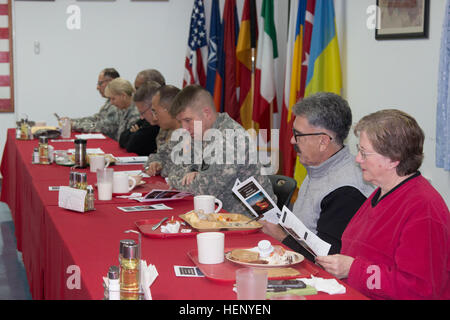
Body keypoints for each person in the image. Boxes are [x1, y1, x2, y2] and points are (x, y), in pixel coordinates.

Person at [316, 109, 450, 300]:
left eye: (364, 153)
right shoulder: (382, 191)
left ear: (394, 159)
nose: (358, 159)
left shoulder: (423, 209)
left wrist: (352, 269)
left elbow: (417, 290)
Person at [261, 92, 374, 262]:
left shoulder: (346, 190)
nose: (292, 140)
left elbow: (329, 263)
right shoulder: (319, 166)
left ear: (323, 141)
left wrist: (281, 237)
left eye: (298, 134)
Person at [166, 84, 276, 215]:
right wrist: (193, 172)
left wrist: (173, 178)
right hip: (225, 214)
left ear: (206, 113)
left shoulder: (229, 139)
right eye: (181, 122)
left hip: (255, 219)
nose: (184, 128)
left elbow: (203, 190)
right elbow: (177, 165)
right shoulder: (206, 133)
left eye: (188, 120)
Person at [68, 68, 121, 139]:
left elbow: (104, 127)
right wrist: (72, 121)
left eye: (100, 83)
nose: (97, 87)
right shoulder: (110, 101)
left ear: (111, 82)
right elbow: (96, 119)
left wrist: (75, 125)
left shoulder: (118, 102)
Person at [144, 85, 182, 177]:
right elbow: (156, 156)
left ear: (170, 109)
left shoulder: (192, 133)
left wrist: (162, 167)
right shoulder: (175, 132)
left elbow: (179, 171)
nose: (154, 118)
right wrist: (155, 163)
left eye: (155, 112)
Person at [119, 81, 161, 156]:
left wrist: (134, 134)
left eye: (142, 112)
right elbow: (122, 138)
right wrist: (134, 134)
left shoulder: (159, 126)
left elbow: (132, 146)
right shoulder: (147, 120)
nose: (141, 117)